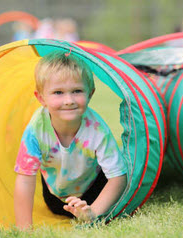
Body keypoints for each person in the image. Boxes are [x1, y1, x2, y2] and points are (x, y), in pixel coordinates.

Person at [13, 51, 127, 229]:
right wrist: (23, 228)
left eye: (77, 91)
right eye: (58, 92)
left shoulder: (97, 129)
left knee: (114, 171)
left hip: (95, 191)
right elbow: (25, 178)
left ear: (90, 94)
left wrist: (93, 212)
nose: (69, 100)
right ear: (41, 98)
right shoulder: (36, 130)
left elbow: (118, 176)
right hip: (56, 198)